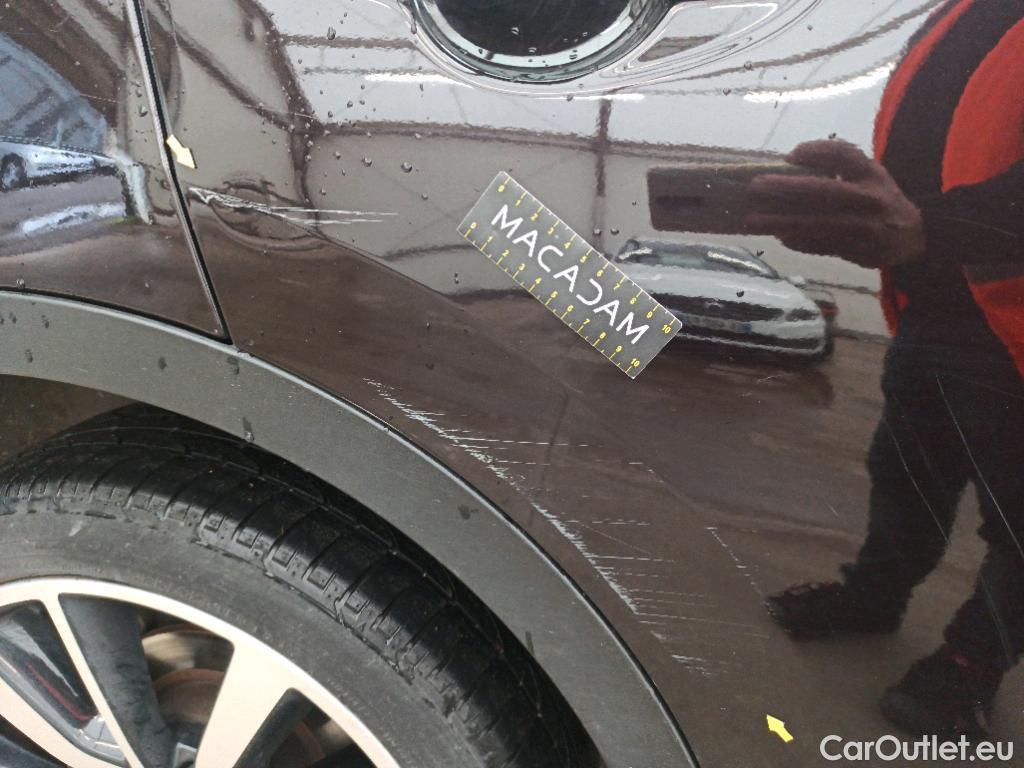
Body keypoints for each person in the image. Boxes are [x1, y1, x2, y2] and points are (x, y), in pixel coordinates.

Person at [747, 0, 1024, 739]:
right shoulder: (956, 17)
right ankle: (874, 597)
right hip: (931, 307)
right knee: (904, 478)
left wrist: (927, 227)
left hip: (1013, 329)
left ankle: (970, 664)